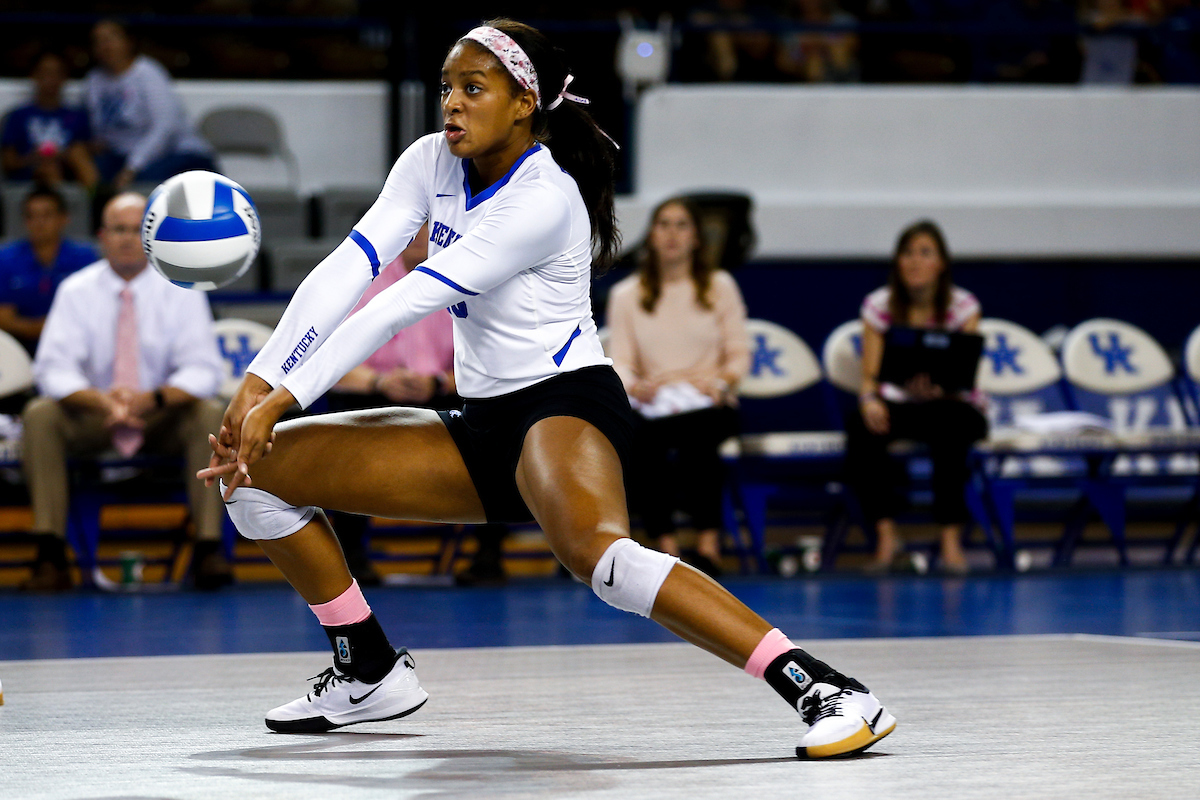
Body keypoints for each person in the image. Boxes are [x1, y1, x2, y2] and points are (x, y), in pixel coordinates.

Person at [197, 19, 894, 758]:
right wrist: (258, 382)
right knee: (252, 478)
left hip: (563, 404)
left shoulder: (544, 197)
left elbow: (405, 301)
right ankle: (367, 668)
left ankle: (824, 688)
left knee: (603, 560)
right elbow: (350, 265)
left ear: (524, 103)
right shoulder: (430, 160)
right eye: (446, 87)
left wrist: (286, 397)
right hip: (479, 423)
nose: (452, 103)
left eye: (474, 88)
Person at [21, 192, 229, 592]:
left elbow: (204, 370)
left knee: (208, 412)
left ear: (151, 237)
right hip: (93, 415)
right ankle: (49, 554)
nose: (128, 238)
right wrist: (102, 402)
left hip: (160, 416)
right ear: (102, 236)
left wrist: (151, 399)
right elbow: (51, 369)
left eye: (137, 230)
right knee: (40, 414)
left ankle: (208, 549)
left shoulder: (182, 288)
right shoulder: (75, 290)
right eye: (119, 229)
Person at [326, 225, 508, 587]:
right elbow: (331, 361)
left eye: (428, 226)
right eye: (414, 228)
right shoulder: (361, 283)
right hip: (375, 391)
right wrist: (380, 381)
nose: (420, 236)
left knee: (498, 423)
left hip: (448, 390)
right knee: (343, 424)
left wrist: (440, 381)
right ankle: (352, 556)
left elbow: (491, 359)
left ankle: (489, 554)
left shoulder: (466, 280)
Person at [606, 197, 749, 578]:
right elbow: (620, 360)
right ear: (651, 235)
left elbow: (738, 353)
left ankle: (708, 547)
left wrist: (721, 383)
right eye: (664, 224)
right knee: (640, 439)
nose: (672, 234)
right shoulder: (626, 295)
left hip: (708, 401)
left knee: (700, 438)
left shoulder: (720, 286)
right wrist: (635, 385)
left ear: (697, 238)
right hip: (657, 403)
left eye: (682, 225)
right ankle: (666, 549)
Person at [845, 219, 988, 575]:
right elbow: (869, 376)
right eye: (907, 253)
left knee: (953, 428)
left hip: (950, 403)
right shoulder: (878, 305)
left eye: (925, 253)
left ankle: (950, 539)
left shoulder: (964, 306)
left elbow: (963, 372)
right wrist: (869, 401)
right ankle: (886, 537)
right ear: (897, 261)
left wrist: (943, 389)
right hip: (899, 403)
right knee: (862, 426)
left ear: (941, 263)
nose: (915, 261)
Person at [85, 19, 215, 190]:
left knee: (142, 183)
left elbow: (165, 128)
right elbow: (100, 129)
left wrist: (132, 167)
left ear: (129, 42)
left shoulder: (147, 73)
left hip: (176, 153)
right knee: (93, 175)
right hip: (122, 155)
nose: (105, 46)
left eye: (110, 39)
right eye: (98, 41)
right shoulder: (95, 80)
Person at [0, 185, 98, 356]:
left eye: (47, 215)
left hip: (75, 350)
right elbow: (4, 320)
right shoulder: (5, 259)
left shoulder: (85, 258)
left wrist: (40, 327)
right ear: (24, 220)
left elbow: (94, 313)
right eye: (31, 216)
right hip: (20, 351)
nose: (39, 222)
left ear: (64, 218)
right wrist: (48, 327)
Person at [1, 51, 99, 189]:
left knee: (73, 156)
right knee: (49, 169)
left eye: (57, 73)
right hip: (29, 176)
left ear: (65, 77)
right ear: (34, 76)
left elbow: (86, 155)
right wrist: (35, 158)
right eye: (45, 72)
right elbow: (8, 162)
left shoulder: (77, 116)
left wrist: (61, 155)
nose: (51, 79)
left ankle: (94, 196)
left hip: (69, 174)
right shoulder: (18, 116)